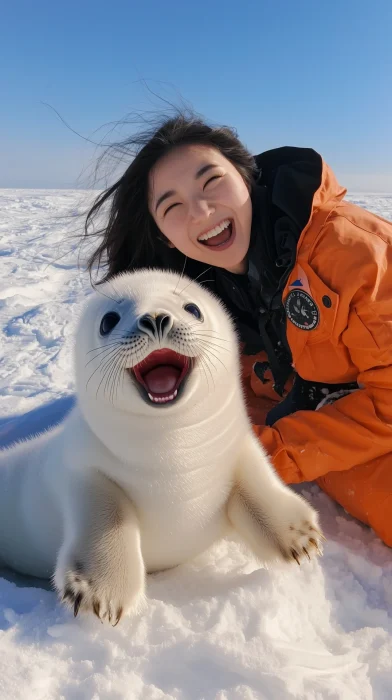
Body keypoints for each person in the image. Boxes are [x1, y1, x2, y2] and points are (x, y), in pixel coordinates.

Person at [84, 113, 392, 547]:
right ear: (165, 237)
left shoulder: (350, 252)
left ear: (247, 176)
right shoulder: (203, 292)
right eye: (171, 206)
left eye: (211, 181)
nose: (201, 211)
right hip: (329, 405)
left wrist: (265, 455)